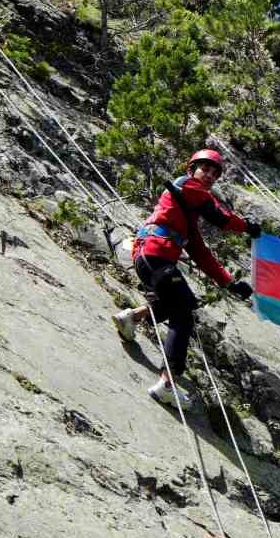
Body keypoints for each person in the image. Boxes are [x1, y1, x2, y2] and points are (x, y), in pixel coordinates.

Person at [112, 149, 263, 405]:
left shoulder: (186, 214)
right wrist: (246, 227)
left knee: (175, 304)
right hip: (156, 255)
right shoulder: (186, 186)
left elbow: (201, 253)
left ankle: (131, 317)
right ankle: (168, 384)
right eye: (205, 169)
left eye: (214, 175)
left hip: (149, 259)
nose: (209, 177)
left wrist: (230, 283)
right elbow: (220, 218)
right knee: (183, 313)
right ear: (191, 169)